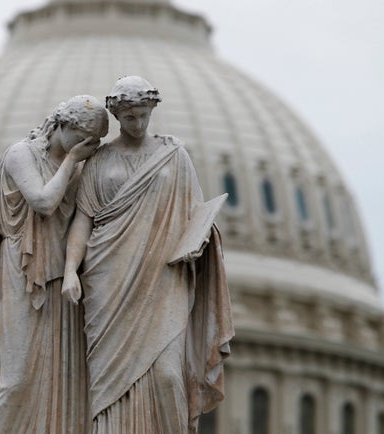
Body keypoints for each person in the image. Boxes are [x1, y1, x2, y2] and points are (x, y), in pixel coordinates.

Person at [62, 77, 234, 434]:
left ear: (152, 111)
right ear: (117, 116)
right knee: (107, 383)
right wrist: (69, 272)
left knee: (168, 374)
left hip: (163, 278)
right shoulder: (99, 160)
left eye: (143, 116)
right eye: (129, 118)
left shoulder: (174, 156)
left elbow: (196, 216)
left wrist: (198, 242)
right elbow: (83, 220)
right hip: (108, 282)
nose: (137, 124)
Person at [0, 95, 109, 433]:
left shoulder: (77, 167)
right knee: (19, 379)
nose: (87, 146)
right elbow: (43, 202)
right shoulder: (22, 154)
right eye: (83, 138)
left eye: (93, 142)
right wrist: (74, 160)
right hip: (22, 268)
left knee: (62, 376)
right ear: (64, 125)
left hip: (60, 274)